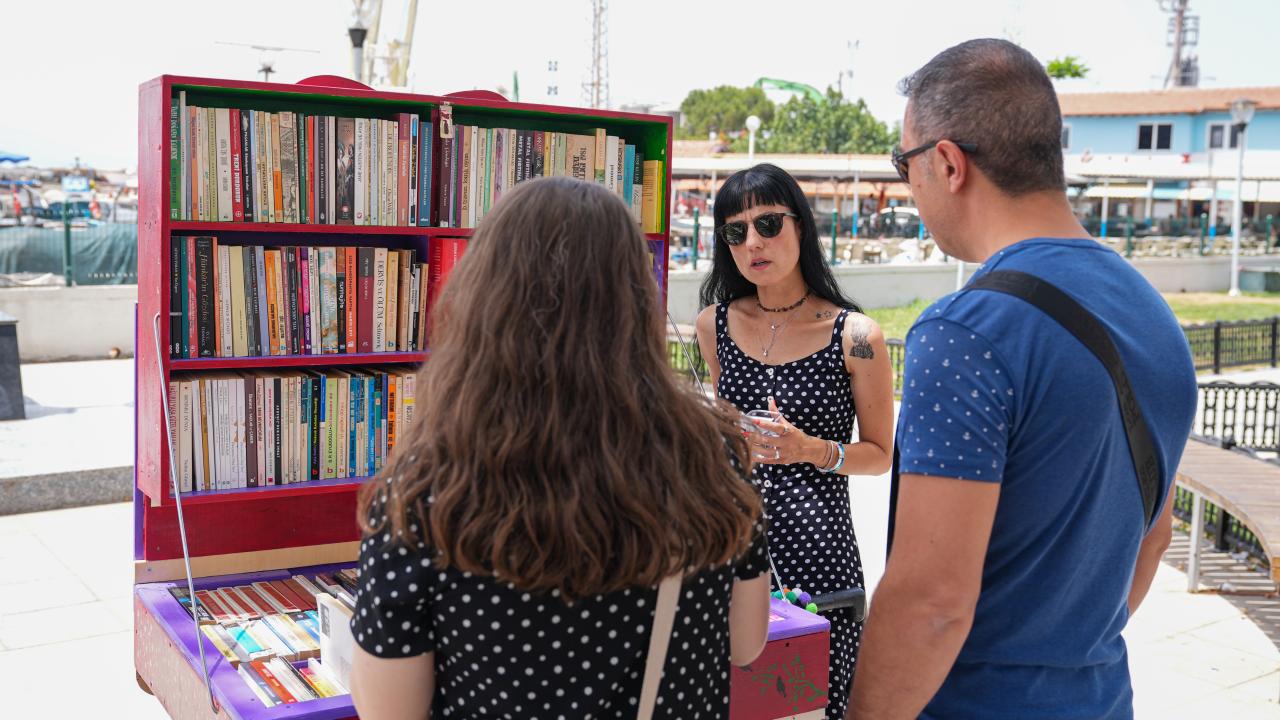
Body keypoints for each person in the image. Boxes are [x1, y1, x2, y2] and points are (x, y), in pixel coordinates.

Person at [847, 39, 1197, 719]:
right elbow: (1153, 538)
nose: (909, 184)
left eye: (903, 164)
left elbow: (932, 603)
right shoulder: (1153, 313)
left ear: (948, 163)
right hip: (1101, 698)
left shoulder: (966, 331)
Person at [347, 177, 771, 719]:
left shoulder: (429, 489)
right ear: (636, 299)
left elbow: (389, 711)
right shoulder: (715, 456)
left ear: (484, 301)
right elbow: (746, 643)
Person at [695, 163, 895, 720]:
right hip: (733, 543)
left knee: (812, 699)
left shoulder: (855, 336)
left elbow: (881, 455)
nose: (753, 243)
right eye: (736, 232)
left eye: (768, 224)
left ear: (801, 226)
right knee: (733, 699)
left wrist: (809, 449)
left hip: (819, 551)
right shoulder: (714, 325)